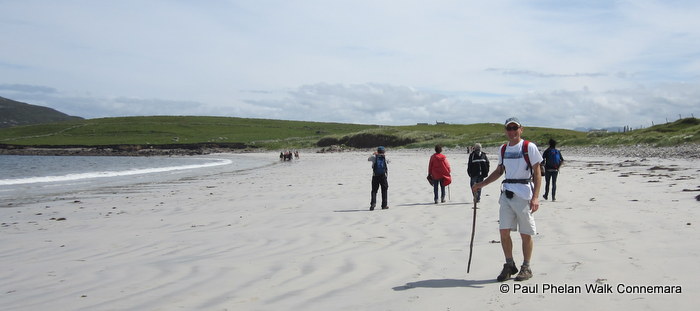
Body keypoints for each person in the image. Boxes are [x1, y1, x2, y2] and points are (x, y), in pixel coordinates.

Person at [472, 117, 542, 282]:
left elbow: (537, 172)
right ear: (505, 131)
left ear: (521, 129)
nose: (511, 131)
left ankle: (526, 266)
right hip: (506, 194)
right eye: (508, 128)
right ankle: (509, 264)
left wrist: (536, 197)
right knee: (503, 232)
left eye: (514, 128)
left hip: (524, 194)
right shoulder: (503, 149)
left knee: (525, 233)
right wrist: (481, 184)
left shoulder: (529, 147)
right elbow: (499, 171)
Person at [368, 146, 389, 210]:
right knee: (384, 190)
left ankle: (373, 204)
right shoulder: (385, 157)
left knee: (374, 190)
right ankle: (384, 205)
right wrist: (384, 155)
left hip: (375, 176)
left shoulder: (374, 157)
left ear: (377, 151)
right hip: (383, 176)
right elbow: (389, 161)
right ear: (383, 151)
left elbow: (368, 159)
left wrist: (373, 154)